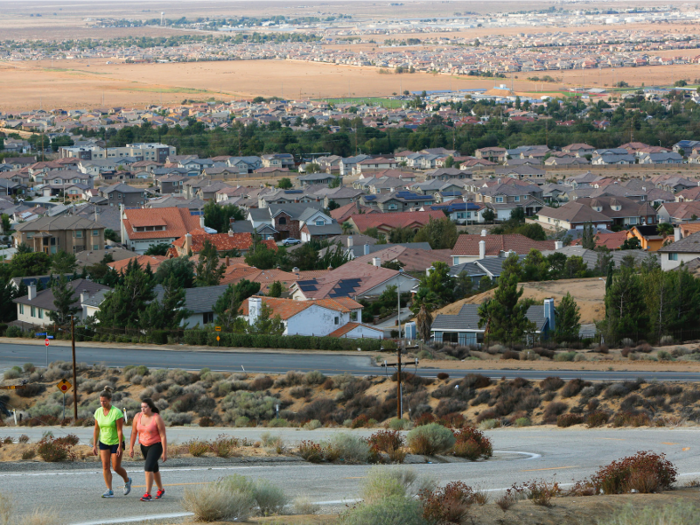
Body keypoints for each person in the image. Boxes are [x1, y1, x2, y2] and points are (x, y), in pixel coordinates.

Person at [93, 386, 132, 498]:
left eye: (104, 401)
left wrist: (120, 445)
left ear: (109, 400)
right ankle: (109, 490)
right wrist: (95, 445)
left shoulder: (117, 412)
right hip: (104, 441)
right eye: (100, 401)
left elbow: (120, 430)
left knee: (116, 467)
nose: (102, 403)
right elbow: (96, 429)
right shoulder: (98, 412)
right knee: (105, 466)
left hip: (116, 442)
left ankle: (127, 480)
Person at [129, 398, 167, 502]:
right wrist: (131, 447)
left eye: (145, 407)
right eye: (142, 407)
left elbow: (163, 435)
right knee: (154, 469)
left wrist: (164, 451)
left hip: (156, 445)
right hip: (144, 446)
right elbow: (133, 432)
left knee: (148, 468)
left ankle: (148, 494)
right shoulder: (138, 416)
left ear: (150, 407)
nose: (143, 409)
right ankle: (161, 489)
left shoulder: (156, 418)